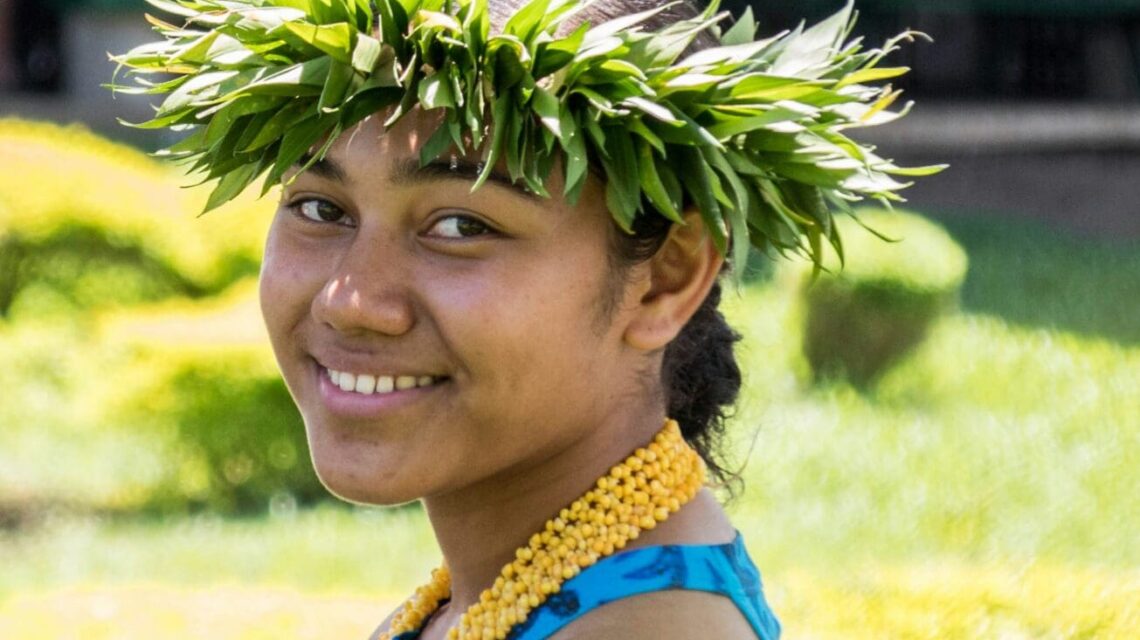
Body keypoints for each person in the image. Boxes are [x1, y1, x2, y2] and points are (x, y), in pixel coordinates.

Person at [114, 1, 933, 637]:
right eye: (321, 206)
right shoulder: (505, 593)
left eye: (462, 226)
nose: (352, 300)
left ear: (665, 280)